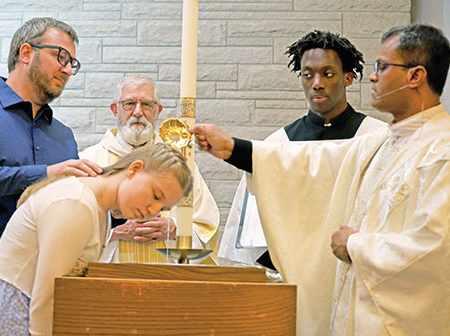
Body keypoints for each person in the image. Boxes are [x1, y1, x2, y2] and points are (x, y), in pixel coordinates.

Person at [191, 24, 450, 336]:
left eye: (382, 66)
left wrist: (354, 244)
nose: (372, 75)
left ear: (416, 76)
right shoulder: (385, 142)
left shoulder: (440, 152)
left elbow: (437, 250)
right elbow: (314, 164)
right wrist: (232, 148)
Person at [0, 17, 102, 334]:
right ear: (26, 52)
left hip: (39, 292)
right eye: (61, 57)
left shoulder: (64, 137)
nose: (68, 69)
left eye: (73, 62)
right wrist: (45, 174)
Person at [0, 143, 192, 336]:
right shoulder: (76, 202)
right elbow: (48, 295)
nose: (154, 210)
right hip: (9, 319)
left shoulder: (98, 209)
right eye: (155, 195)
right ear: (134, 169)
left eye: (164, 206)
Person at [218, 30, 385, 269]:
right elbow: (256, 232)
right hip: (293, 272)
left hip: (357, 267)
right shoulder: (277, 144)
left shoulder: (376, 137)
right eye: (308, 75)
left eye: (328, 74)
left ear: (348, 78)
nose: (317, 84)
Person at [79, 74, 220, 264]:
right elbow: (68, 228)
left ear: (157, 111)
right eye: (129, 103)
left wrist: (173, 228)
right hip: (106, 278)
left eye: (147, 104)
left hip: (165, 279)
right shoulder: (89, 160)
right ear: (115, 110)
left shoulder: (180, 164)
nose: (138, 112)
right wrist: (113, 232)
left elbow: (206, 225)